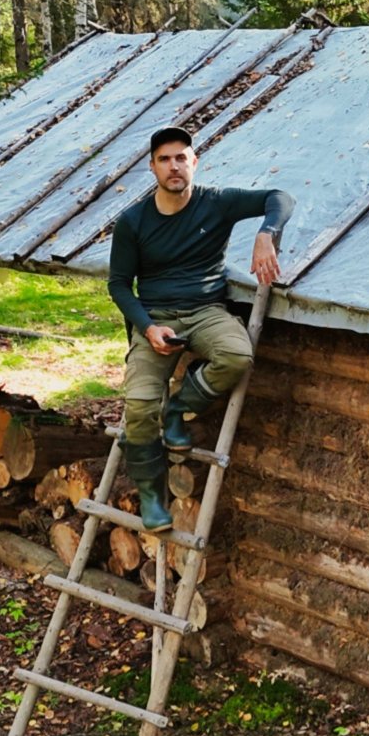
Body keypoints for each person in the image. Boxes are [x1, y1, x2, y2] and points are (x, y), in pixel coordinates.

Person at [107, 125, 294, 531]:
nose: (173, 166)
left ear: (194, 161)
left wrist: (267, 233)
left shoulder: (216, 203)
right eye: (164, 159)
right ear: (152, 167)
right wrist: (147, 326)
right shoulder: (133, 222)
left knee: (236, 355)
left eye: (181, 157)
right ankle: (153, 498)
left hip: (207, 309)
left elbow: (279, 197)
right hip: (155, 317)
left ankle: (178, 409)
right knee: (138, 405)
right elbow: (118, 284)